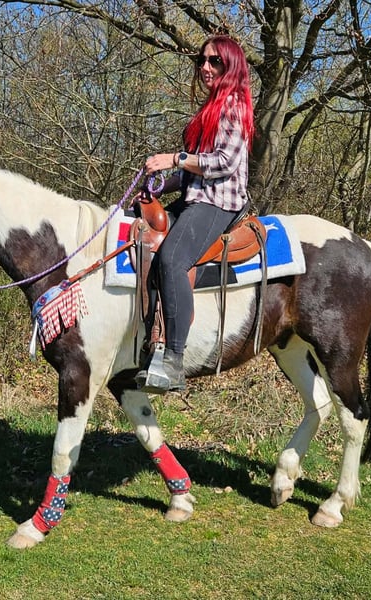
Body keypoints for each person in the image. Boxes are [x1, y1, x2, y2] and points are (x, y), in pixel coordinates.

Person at [136, 34, 255, 393]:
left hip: (220, 203)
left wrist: (173, 158)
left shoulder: (233, 105)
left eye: (214, 61)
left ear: (231, 66)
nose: (205, 66)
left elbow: (223, 163)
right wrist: (163, 186)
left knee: (173, 259)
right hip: (196, 196)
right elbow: (194, 172)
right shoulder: (209, 108)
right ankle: (147, 340)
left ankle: (174, 361)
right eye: (201, 60)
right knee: (141, 233)